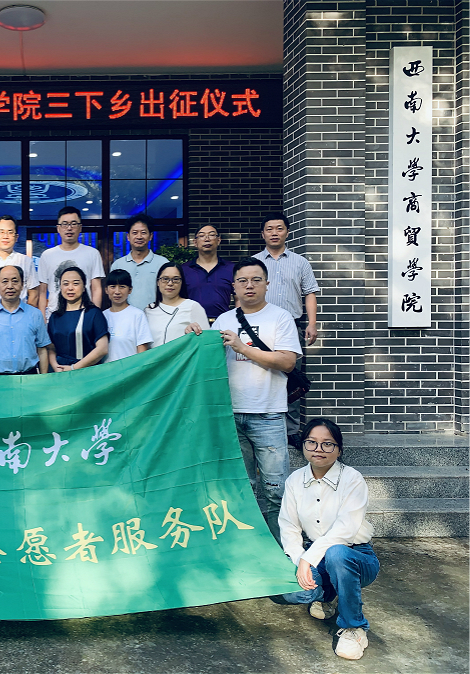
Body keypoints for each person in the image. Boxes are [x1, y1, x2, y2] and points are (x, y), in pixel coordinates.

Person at [185, 257, 301, 542]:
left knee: (275, 488)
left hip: (268, 414)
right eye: (242, 281)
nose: (249, 285)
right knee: (240, 488)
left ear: (267, 284)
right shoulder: (224, 320)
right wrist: (193, 339)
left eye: (256, 280)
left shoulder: (280, 317)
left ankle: (281, 548)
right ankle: (246, 548)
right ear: (234, 286)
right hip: (231, 416)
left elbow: (287, 362)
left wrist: (243, 347)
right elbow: (208, 361)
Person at [273, 418, 378, 661]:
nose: (318, 449)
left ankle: (354, 627)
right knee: (291, 593)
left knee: (336, 553)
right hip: (314, 555)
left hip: (356, 555)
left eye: (327, 444)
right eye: (311, 442)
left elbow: (345, 530)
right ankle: (328, 594)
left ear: (339, 449)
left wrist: (308, 559)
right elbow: (289, 527)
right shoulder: (295, 480)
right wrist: (300, 560)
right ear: (303, 445)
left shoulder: (353, 479)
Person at [254, 212, 321, 446]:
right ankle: (260, 427)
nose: (274, 233)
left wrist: (312, 323)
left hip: (291, 326)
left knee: (291, 377)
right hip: (261, 328)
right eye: (269, 229)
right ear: (263, 234)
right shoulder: (254, 263)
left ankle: (291, 430)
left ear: (287, 232)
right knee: (260, 376)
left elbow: (309, 293)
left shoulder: (300, 262)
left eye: (279, 228)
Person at [0, 265, 50, 375]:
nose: (10, 286)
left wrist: (43, 379)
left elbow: (42, 350)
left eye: (15, 281)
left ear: (22, 285)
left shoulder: (35, 314)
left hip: (29, 377)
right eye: (5, 281)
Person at [37, 206, 105, 319]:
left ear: (80, 227)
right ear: (58, 228)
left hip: (84, 315)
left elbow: (96, 289)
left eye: (73, 224)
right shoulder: (47, 255)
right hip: (55, 316)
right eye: (64, 224)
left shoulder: (92, 253)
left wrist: (94, 316)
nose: (69, 228)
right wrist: (42, 318)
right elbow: (42, 291)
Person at [46, 266, 109, 372]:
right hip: (59, 372)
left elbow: (102, 348)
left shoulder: (93, 313)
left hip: (86, 372)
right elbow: (51, 347)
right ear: (60, 287)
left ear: (84, 287)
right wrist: (55, 366)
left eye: (75, 283)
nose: (70, 288)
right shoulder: (55, 317)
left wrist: (74, 368)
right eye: (66, 284)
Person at [110, 214, 170, 310]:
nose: (139, 237)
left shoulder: (163, 263)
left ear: (150, 236)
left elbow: (169, 293)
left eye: (143, 232)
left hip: (155, 314)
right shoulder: (118, 265)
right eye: (134, 233)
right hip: (126, 315)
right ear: (128, 237)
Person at [144, 262, 209, 346]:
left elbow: (206, 341)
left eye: (176, 279)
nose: (170, 283)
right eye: (165, 279)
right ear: (158, 282)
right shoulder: (149, 309)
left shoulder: (192, 307)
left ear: (182, 282)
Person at [180, 224, 236, 322]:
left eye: (211, 235)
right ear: (195, 242)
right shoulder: (184, 269)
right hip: (192, 324)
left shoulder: (231, 268)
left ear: (218, 240)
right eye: (202, 236)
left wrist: (237, 321)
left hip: (223, 323)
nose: (207, 239)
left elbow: (239, 298)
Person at [102, 268, 151, 363]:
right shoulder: (102, 316)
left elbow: (142, 350)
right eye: (113, 287)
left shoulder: (137, 315)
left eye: (122, 287)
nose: (117, 291)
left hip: (130, 369)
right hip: (106, 370)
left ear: (130, 290)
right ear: (106, 290)